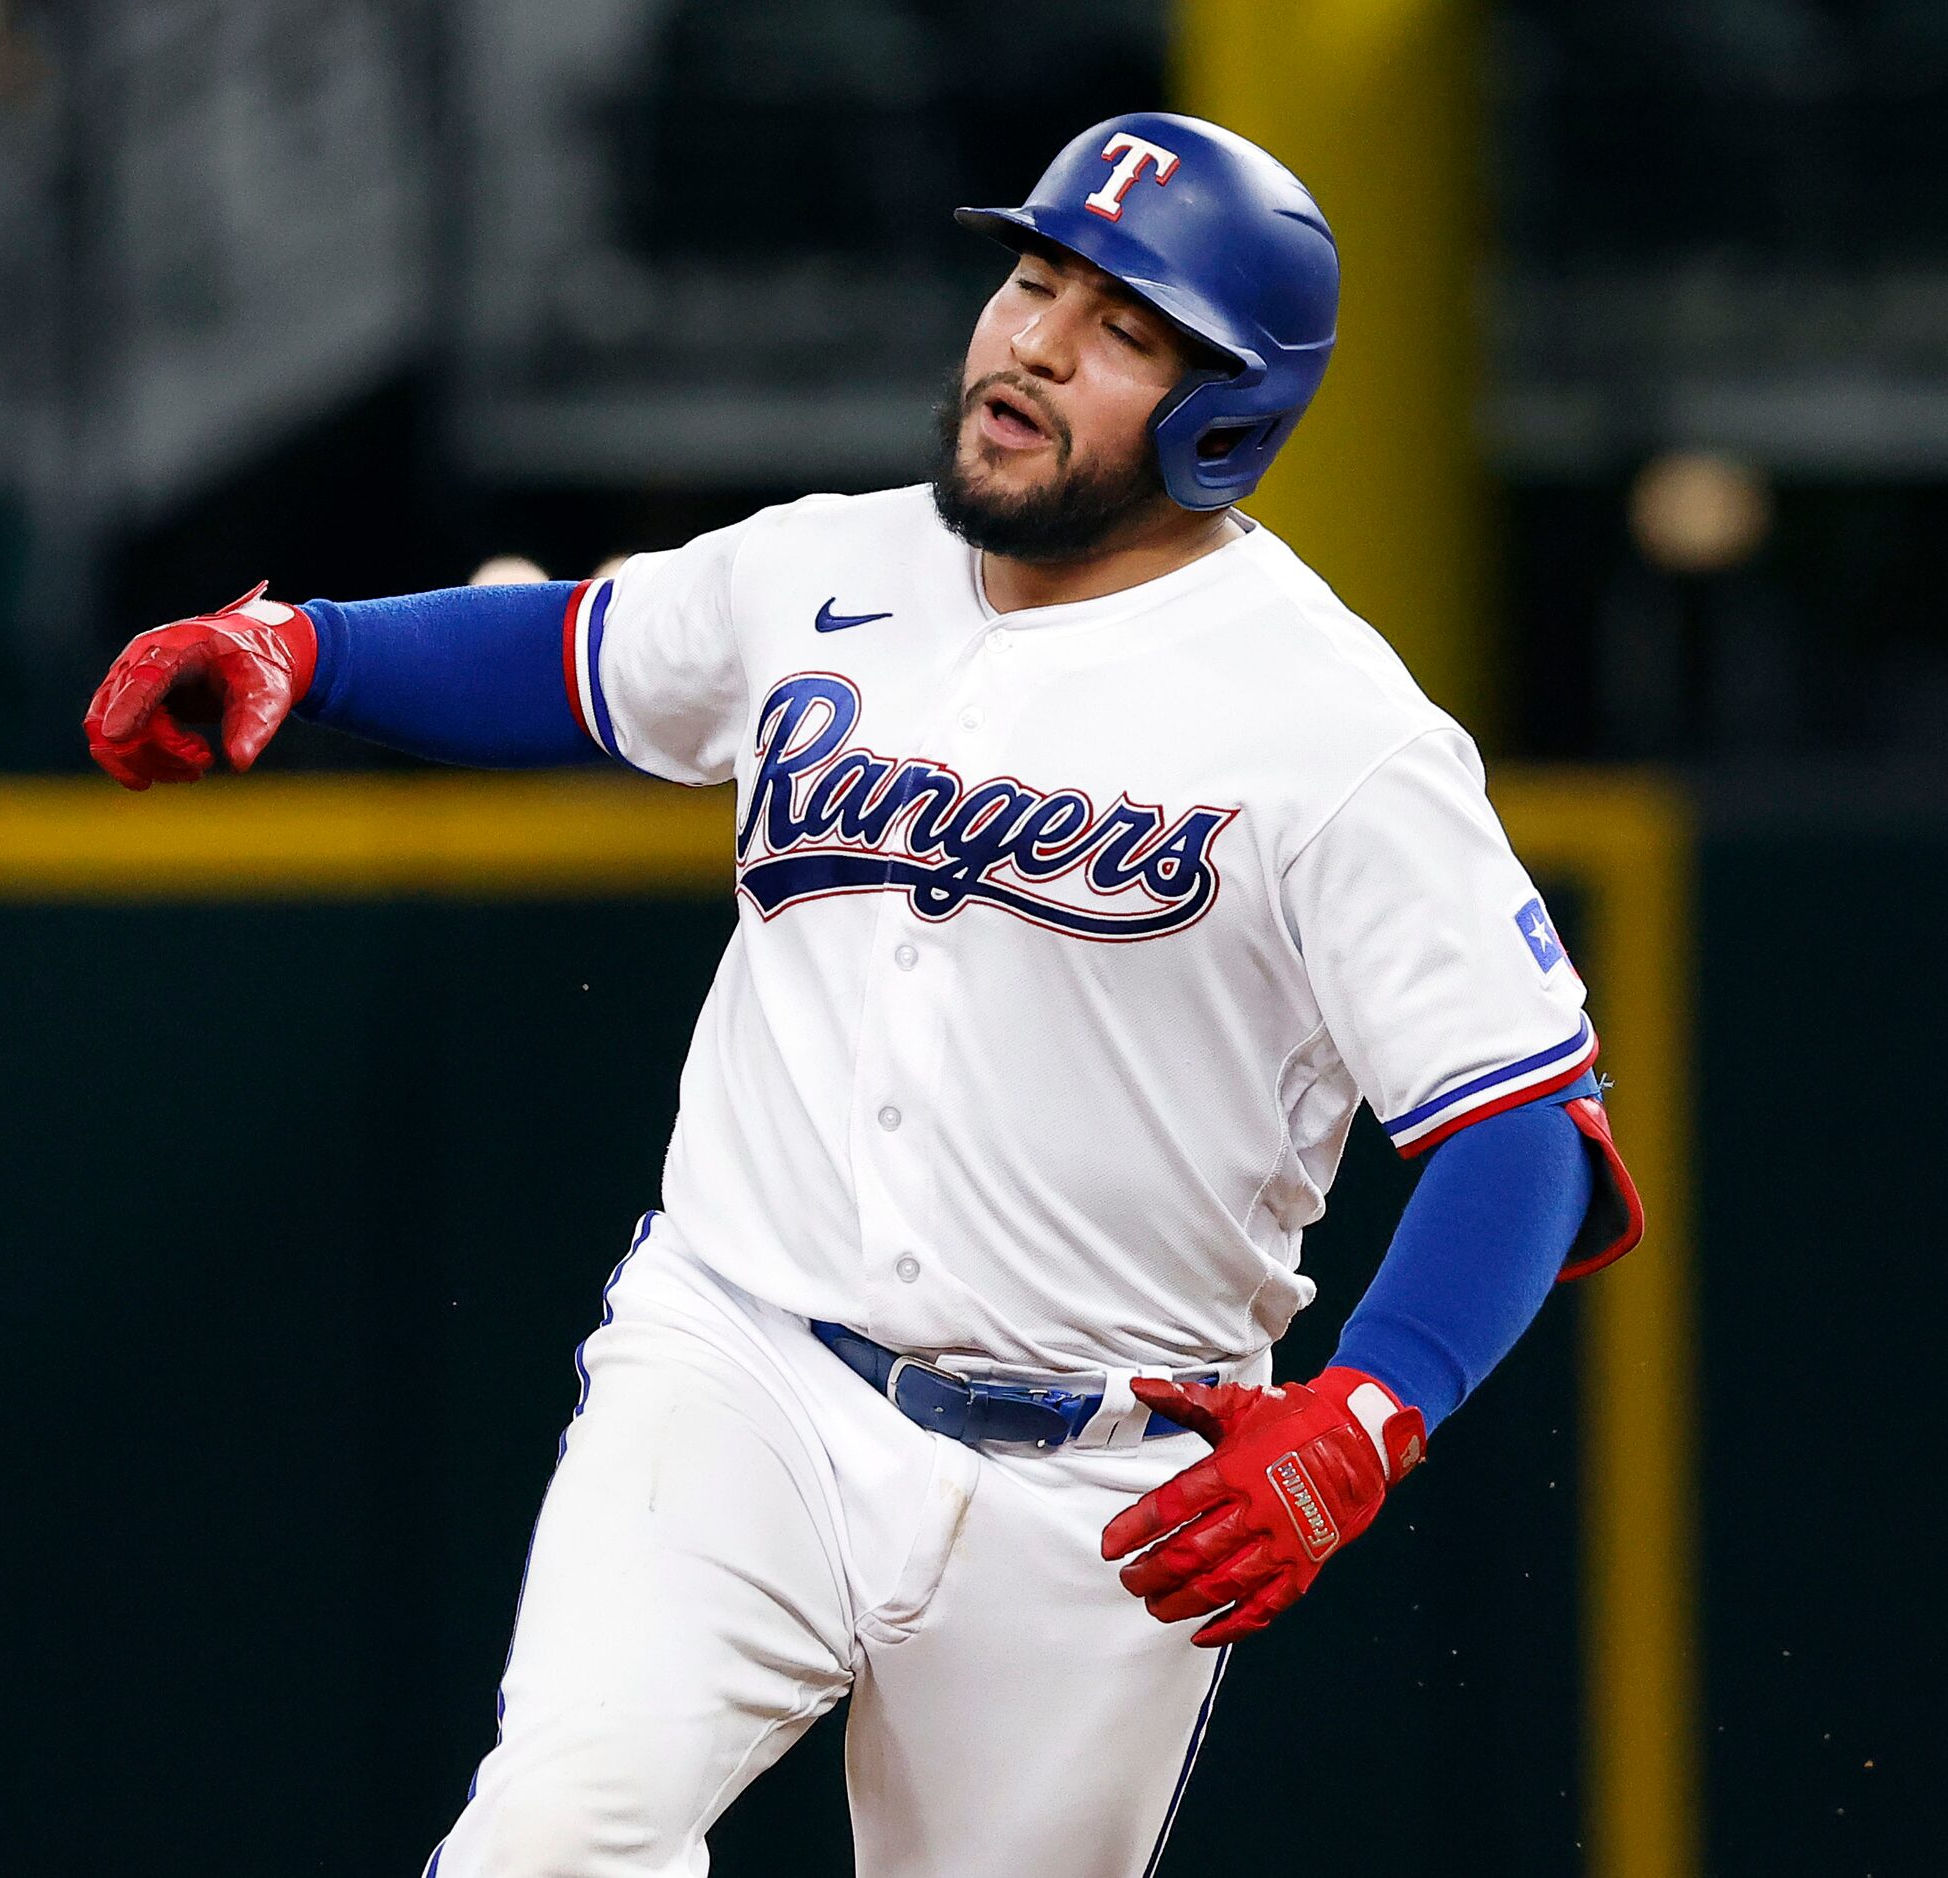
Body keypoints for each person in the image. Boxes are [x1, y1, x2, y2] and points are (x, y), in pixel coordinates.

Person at [82, 112, 1642, 1878]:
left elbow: (1528, 1129)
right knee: (552, 1841)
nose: (1033, 342)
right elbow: (587, 652)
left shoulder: (1337, 731)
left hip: (1105, 1476)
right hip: (746, 1359)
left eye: (1122, 328)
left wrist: (1368, 1414)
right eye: (1032, 277)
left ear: (1227, 418)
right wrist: (310, 649)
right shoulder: (829, 564)